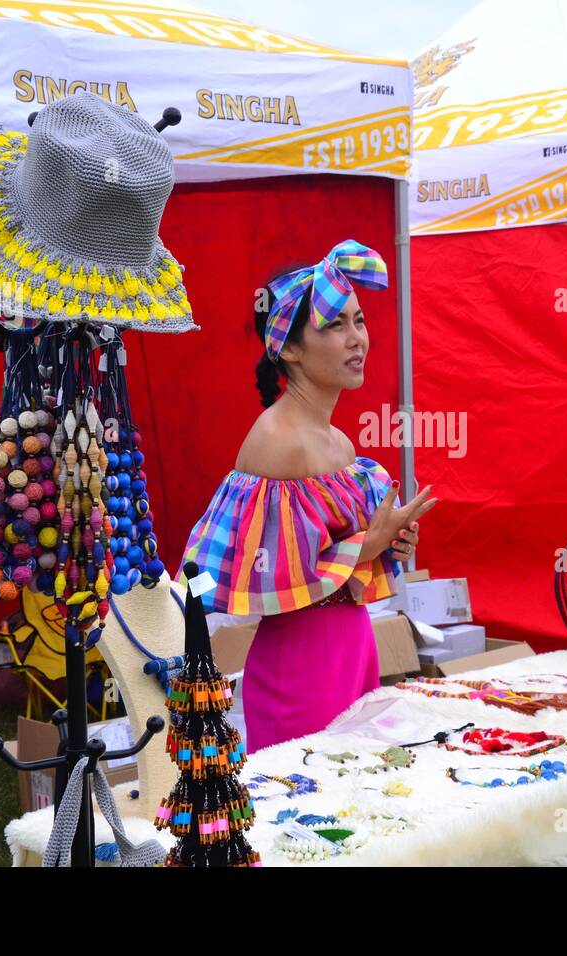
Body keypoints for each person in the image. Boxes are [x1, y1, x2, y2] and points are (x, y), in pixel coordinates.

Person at [180, 240, 437, 753]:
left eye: (358, 320)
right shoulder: (277, 441)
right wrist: (366, 546)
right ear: (289, 348)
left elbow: (336, 559)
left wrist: (390, 544)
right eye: (334, 326)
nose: (356, 338)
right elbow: (248, 573)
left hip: (353, 646)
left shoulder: (339, 443)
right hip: (301, 665)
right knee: (307, 814)